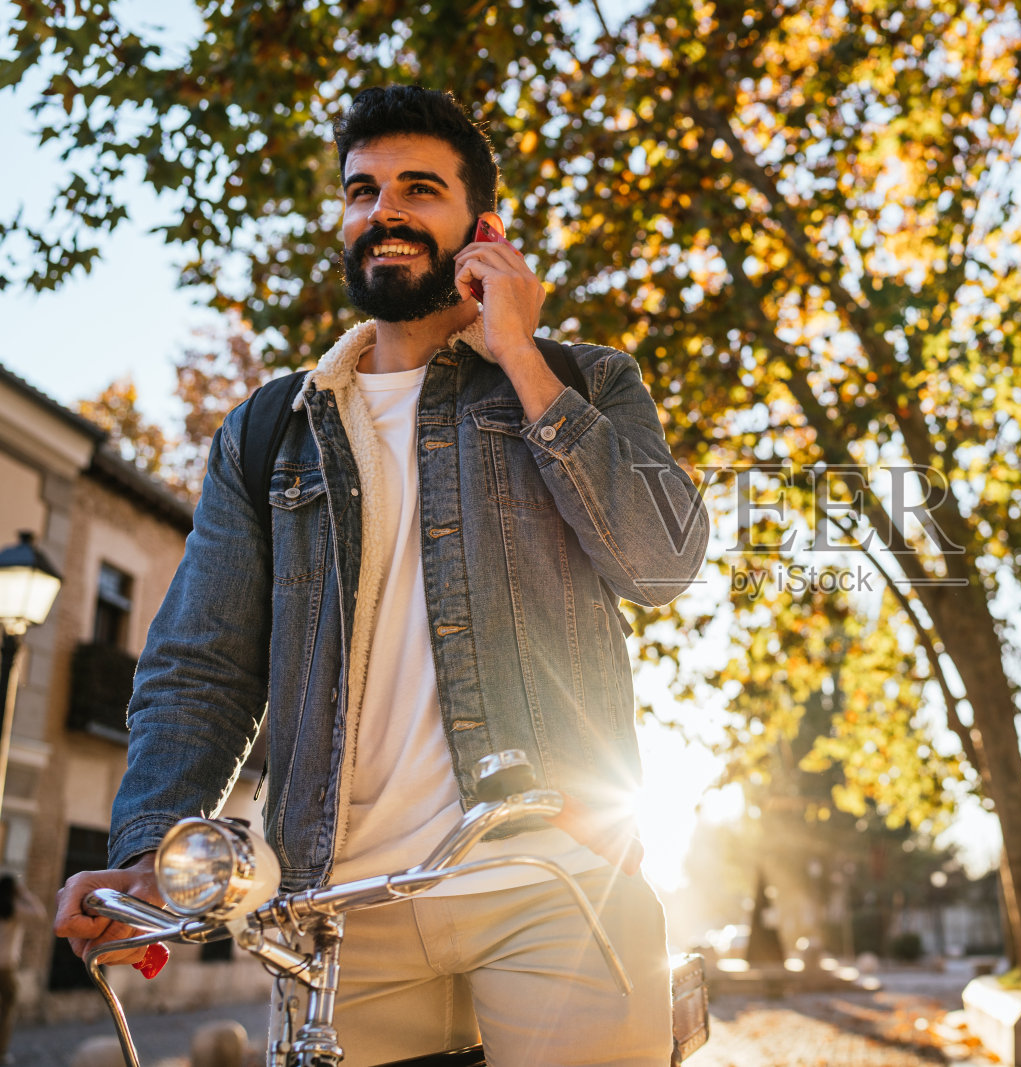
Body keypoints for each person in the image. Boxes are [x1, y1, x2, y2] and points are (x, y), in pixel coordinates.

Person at [54, 85, 709, 1067]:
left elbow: (661, 560)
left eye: (418, 187)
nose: (383, 210)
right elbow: (201, 661)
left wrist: (520, 355)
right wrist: (151, 852)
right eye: (361, 190)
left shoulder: (582, 381)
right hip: (337, 905)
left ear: (481, 227)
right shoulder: (272, 430)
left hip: (551, 875)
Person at [1, 873, 45, 1063]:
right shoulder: (14, 909)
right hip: (5, 967)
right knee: (7, 1011)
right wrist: (24, 893)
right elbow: (39, 913)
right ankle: (1, 1052)